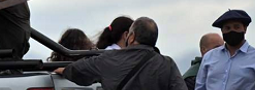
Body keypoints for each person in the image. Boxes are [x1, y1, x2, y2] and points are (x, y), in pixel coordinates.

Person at [55, 17, 187, 90]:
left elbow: (80, 70)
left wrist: (63, 70)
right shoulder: (167, 64)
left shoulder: (109, 58)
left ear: (131, 37)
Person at [195, 9, 255, 90]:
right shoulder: (209, 57)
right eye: (227, 28)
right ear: (222, 31)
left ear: (245, 29)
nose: (232, 30)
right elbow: (200, 87)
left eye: (237, 27)